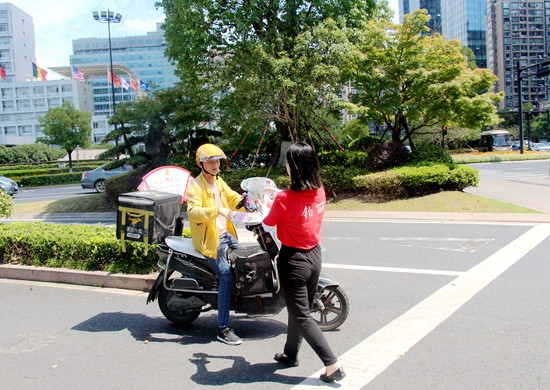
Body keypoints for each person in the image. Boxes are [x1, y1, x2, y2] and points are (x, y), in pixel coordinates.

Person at [262, 141, 345, 383]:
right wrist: (276, 196)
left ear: (295, 166)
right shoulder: (320, 190)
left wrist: (269, 201)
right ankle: (290, 353)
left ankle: (332, 364)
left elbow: (267, 224)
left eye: (288, 162)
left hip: (293, 260)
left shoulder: (284, 198)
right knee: (300, 310)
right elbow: (299, 206)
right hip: (314, 255)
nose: (286, 165)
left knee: (301, 315)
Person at [186, 143, 244, 345]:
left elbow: (232, 196)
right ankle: (223, 328)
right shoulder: (195, 186)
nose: (215, 164)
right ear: (201, 164)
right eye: (210, 161)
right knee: (226, 278)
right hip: (211, 239)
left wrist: (248, 201)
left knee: (247, 259)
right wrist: (217, 210)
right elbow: (193, 212)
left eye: (217, 160)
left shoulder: (218, 181)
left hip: (225, 234)